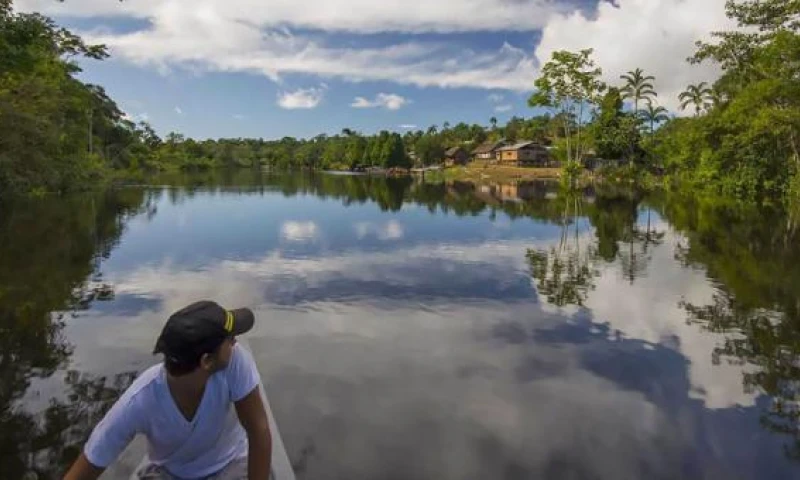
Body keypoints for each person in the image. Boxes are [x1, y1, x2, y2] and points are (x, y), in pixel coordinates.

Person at [64, 301, 272, 480]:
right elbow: (90, 462)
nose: (235, 342)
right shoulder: (140, 401)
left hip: (231, 466)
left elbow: (258, 430)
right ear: (206, 360)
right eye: (229, 339)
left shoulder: (235, 361)